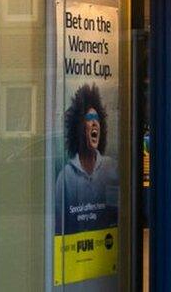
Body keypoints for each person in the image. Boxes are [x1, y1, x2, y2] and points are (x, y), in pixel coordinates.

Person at [55, 84, 119, 234]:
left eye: (97, 118)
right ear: (78, 128)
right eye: (89, 118)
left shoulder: (112, 168)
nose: (95, 122)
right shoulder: (65, 178)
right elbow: (60, 224)